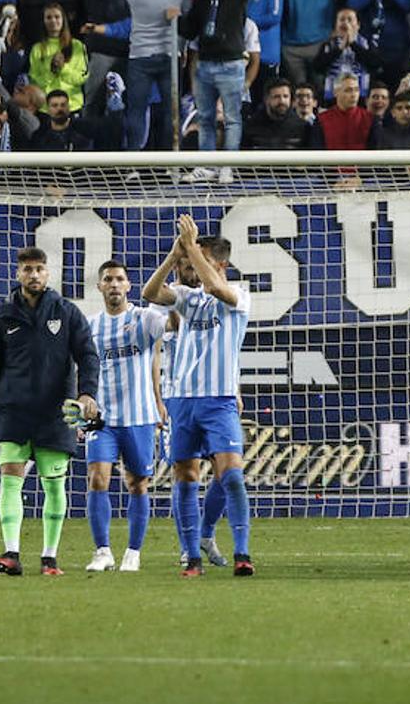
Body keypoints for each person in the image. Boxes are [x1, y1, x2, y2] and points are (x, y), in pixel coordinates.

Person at [0, 247, 100, 577]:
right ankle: (11, 553)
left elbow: (88, 356)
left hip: (55, 414)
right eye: (27, 269)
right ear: (18, 274)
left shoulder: (67, 312)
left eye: (39, 269)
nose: (33, 274)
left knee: (54, 486)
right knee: (11, 480)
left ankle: (49, 558)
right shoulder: (2, 316)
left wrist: (87, 393)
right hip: (13, 411)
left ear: (48, 273)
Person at [143, 217, 254, 577]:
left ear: (219, 264)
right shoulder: (188, 299)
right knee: (185, 476)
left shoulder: (238, 295)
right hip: (182, 401)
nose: (190, 266)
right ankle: (191, 557)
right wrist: (174, 254)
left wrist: (191, 247)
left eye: (198, 259)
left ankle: (242, 553)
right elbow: (149, 294)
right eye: (189, 262)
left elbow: (219, 290)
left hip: (219, 400)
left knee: (231, 475)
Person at [83, 260, 167, 573]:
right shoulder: (89, 326)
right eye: (108, 279)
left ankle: (133, 552)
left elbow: (158, 352)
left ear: (129, 285)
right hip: (100, 417)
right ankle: (102, 551)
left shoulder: (144, 318)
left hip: (139, 414)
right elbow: (80, 368)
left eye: (120, 279)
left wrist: (159, 401)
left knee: (137, 484)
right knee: (97, 478)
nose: (115, 284)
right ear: (100, 286)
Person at [180, 0, 270, 182]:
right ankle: (207, 165)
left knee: (231, 119)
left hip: (231, 66)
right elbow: (188, 31)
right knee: (206, 118)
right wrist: (173, 16)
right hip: (206, 67)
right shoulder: (202, 1)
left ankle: (227, 166)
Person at [119, 0, 191, 151]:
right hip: (170, 54)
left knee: (137, 110)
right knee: (171, 111)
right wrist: (183, 49)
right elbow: (187, 23)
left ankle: (133, 163)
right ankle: (171, 161)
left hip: (140, 55)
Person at [28, 4, 88, 114]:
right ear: (44, 21)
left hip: (72, 106)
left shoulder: (77, 46)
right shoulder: (37, 49)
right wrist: (52, 70)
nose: (53, 21)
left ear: (63, 20)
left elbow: (82, 78)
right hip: (46, 108)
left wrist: (63, 68)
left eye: (57, 17)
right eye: (49, 17)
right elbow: (34, 80)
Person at [242, 77, 311, 149]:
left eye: (285, 96)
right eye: (277, 97)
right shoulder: (250, 127)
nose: (282, 101)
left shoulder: (303, 127)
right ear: (266, 99)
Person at [31, 89, 95, 151]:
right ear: (48, 109)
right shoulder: (39, 136)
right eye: (54, 105)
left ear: (69, 107)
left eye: (63, 105)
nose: (59, 109)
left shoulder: (83, 132)